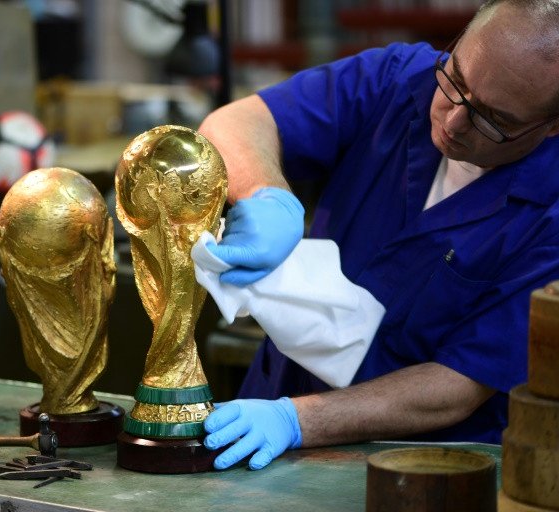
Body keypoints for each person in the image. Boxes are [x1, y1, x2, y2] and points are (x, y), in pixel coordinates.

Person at [197, 0, 559, 471]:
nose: (452, 122)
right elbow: (235, 123)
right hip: (268, 407)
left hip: (416, 467)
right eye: (457, 81)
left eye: (495, 120)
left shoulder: (549, 216)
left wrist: (296, 421)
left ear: (552, 126)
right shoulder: (396, 78)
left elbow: (458, 385)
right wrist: (265, 195)